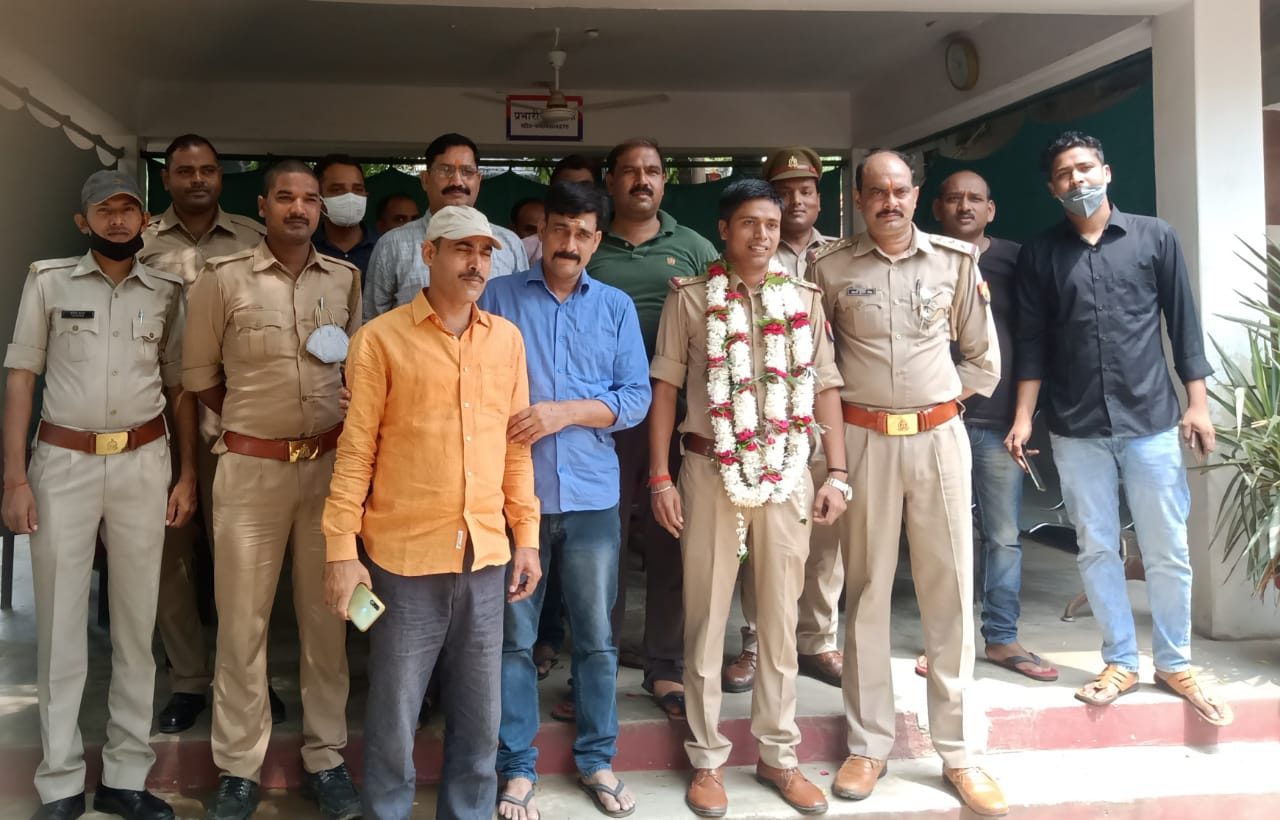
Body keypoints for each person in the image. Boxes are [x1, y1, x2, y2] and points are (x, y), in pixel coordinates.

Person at [323, 205, 542, 820]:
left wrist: (526, 537)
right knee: (395, 715)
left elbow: (515, 450)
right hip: (403, 558)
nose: (476, 263)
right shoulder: (380, 339)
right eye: (462, 249)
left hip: (485, 557)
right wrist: (341, 551)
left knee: (480, 717)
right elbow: (356, 452)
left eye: (485, 251)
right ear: (428, 254)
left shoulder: (506, 341)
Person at [1008, 131, 1230, 725]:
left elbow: (1182, 323)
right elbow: (1031, 342)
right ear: (1052, 188)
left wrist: (1197, 403)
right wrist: (1024, 416)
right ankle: (1121, 661)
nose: (1077, 180)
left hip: (1150, 419)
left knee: (1167, 547)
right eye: (1064, 174)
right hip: (1075, 425)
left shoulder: (1155, 237)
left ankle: (1175, 662)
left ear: (1106, 172)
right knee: (1097, 545)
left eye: (1085, 168)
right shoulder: (1040, 254)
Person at [811, 150, 1007, 816]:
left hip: (938, 441)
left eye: (900, 191)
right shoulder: (830, 268)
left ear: (916, 196)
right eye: (877, 192)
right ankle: (868, 746)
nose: (890, 202)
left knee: (948, 590)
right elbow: (820, 366)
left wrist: (937, 408)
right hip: (863, 440)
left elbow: (982, 360)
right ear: (859, 199)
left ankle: (959, 752)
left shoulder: (955, 262)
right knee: (866, 591)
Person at [650, 178, 849, 817]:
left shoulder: (804, 298)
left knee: (780, 620)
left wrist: (837, 472)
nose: (762, 234)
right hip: (709, 469)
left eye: (770, 223)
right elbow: (664, 389)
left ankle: (778, 755)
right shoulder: (690, 298)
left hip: (788, 471)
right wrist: (659, 477)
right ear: (725, 231)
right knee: (706, 617)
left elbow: (825, 387)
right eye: (748, 223)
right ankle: (707, 758)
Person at [4, 169, 196, 820]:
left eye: (129, 209)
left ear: (144, 220)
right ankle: (59, 782)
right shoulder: (48, 281)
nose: (118, 220)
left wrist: (186, 474)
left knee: (137, 629)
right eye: (105, 210)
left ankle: (125, 777)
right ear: (83, 222)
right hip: (64, 463)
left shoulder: (167, 291)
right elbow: (21, 379)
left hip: (143, 461)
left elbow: (178, 388)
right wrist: (14, 479)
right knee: (61, 630)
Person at [184, 160, 362, 820]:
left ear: (321, 210)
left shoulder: (344, 278)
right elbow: (200, 377)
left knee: (329, 618)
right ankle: (239, 767)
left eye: (310, 199)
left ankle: (327, 756)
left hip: (328, 472)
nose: (298, 208)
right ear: (262, 206)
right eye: (285, 197)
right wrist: (256, 425)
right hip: (250, 472)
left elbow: (355, 368)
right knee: (242, 624)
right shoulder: (222, 278)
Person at [481, 183, 650, 820]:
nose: (569, 244)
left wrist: (563, 412)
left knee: (596, 637)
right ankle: (516, 766)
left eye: (582, 233)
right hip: (511, 497)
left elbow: (635, 398)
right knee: (514, 638)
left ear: (597, 240)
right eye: (559, 230)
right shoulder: (496, 298)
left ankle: (597, 758)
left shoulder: (614, 307)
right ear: (540, 234)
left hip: (591, 497)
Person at [140, 133, 277, 735]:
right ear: (166, 178)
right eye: (184, 170)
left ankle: (246, 678)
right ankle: (189, 680)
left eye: (207, 170)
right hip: (159, 415)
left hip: (235, 417)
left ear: (222, 177)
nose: (197, 179)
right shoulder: (142, 242)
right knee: (169, 553)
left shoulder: (253, 238)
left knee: (243, 556)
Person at [589, 137, 719, 720]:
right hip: (603, 422)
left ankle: (666, 667)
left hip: (677, 418)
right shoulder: (590, 243)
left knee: (671, 543)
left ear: (665, 181)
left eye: (653, 171)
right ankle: (596, 671)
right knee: (603, 548)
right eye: (630, 171)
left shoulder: (694, 248)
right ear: (610, 181)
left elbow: (723, 321)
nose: (642, 180)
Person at [914, 170, 1058, 683]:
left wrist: (1024, 417)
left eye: (975, 199)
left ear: (990, 209)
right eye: (954, 199)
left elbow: (1033, 341)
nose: (965, 207)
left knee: (1002, 536)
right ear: (937, 208)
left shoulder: (1016, 261)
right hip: (936, 420)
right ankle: (946, 642)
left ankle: (1001, 637)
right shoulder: (920, 258)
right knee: (943, 538)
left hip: (999, 425)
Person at [724, 146, 844, 694]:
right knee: (761, 540)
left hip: (820, 420)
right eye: (784, 191)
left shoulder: (841, 256)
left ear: (820, 196)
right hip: (758, 427)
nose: (796, 201)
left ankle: (817, 639)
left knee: (822, 540)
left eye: (807, 190)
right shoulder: (741, 256)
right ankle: (756, 640)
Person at [363, 133, 527, 320]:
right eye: (446, 170)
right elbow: (372, 321)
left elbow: (522, 314)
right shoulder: (392, 244)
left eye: (467, 172)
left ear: (478, 180)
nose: (457, 182)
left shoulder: (509, 243)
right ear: (425, 179)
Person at [521, 155, 600, 268]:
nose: (569, 247)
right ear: (542, 230)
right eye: (559, 230)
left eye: (584, 186)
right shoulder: (526, 248)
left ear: (596, 240)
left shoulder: (609, 251)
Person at [313, 154, 378, 285]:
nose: (350, 197)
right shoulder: (306, 250)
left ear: (366, 195)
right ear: (318, 197)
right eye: (337, 189)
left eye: (357, 189)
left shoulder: (384, 247)